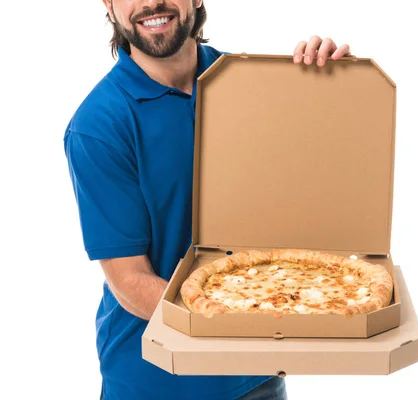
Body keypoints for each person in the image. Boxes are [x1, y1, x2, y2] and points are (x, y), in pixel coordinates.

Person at [64, 1, 351, 399]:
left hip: (257, 377)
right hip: (154, 382)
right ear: (108, 4)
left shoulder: (255, 84)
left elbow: (314, 188)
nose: (150, 3)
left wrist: (340, 87)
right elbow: (130, 281)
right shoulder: (98, 125)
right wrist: (238, 319)